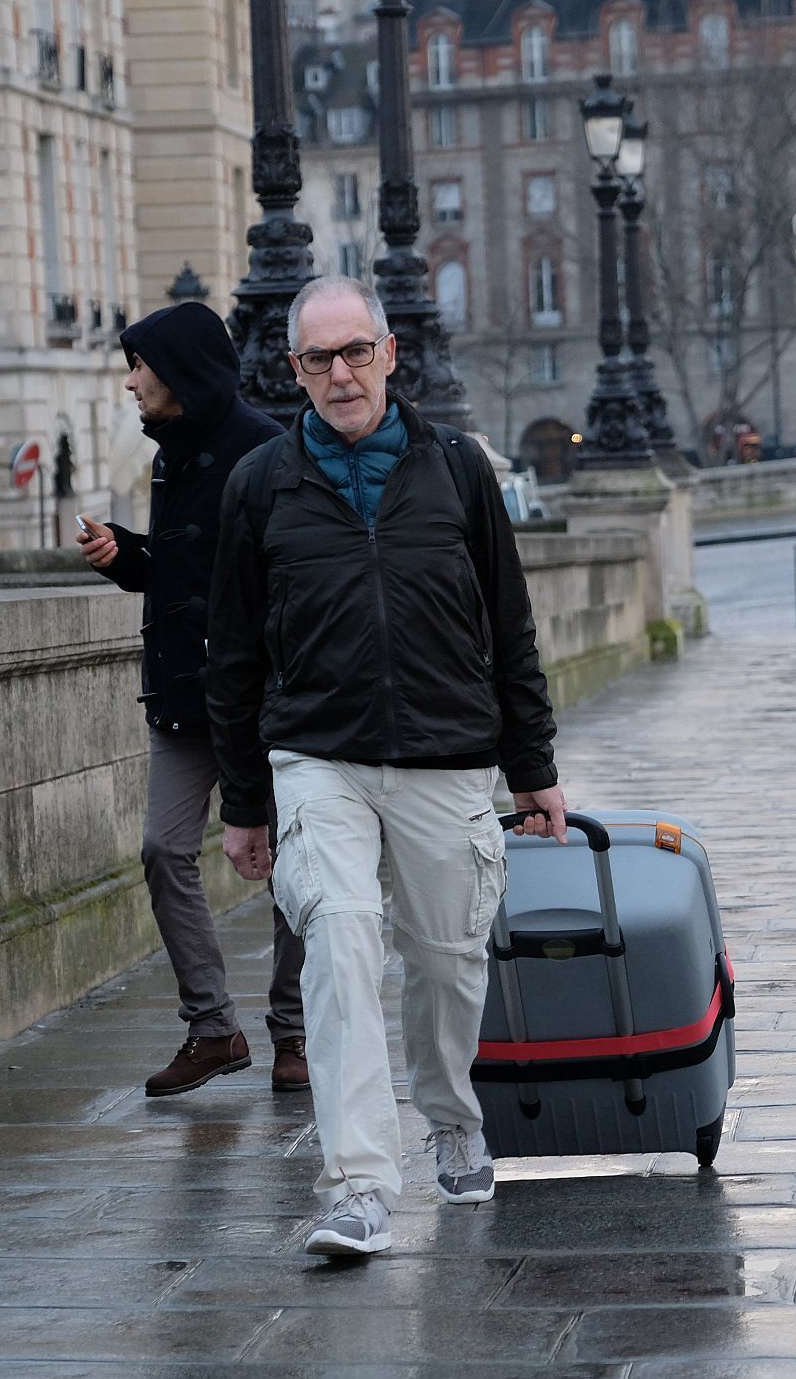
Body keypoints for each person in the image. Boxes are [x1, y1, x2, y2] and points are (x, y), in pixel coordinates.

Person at [206, 275, 569, 1259]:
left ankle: (451, 1116)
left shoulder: (456, 469)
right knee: (342, 939)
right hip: (316, 758)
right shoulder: (260, 486)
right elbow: (232, 654)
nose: (340, 374)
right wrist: (244, 802)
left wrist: (531, 766)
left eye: (355, 352)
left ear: (388, 354)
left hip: (447, 757)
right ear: (293, 373)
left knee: (449, 962)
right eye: (318, 359)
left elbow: (509, 624)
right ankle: (359, 1185)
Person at [76, 300, 310, 1100]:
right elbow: (183, 572)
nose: (131, 381)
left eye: (140, 364)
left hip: (261, 697)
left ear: (180, 369)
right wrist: (125, 555)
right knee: (163, 849)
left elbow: (281, 580)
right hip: (184, 696)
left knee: (292, 865)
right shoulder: (170, 454)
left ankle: (297, 1032)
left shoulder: (266, 448)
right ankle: (214, 1027)